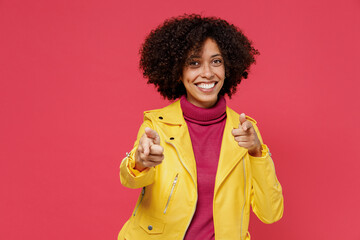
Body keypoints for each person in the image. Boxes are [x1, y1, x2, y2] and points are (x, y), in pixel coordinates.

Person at [118, 14, 284, 240]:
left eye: (216, 61)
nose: (207, 73)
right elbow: (130, 180)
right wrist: (140, 161)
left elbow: (271, 213)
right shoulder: (157, 125)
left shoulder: (245, 131)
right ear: (178, 71)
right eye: (194, 63)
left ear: (228, 67)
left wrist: (257, 152)